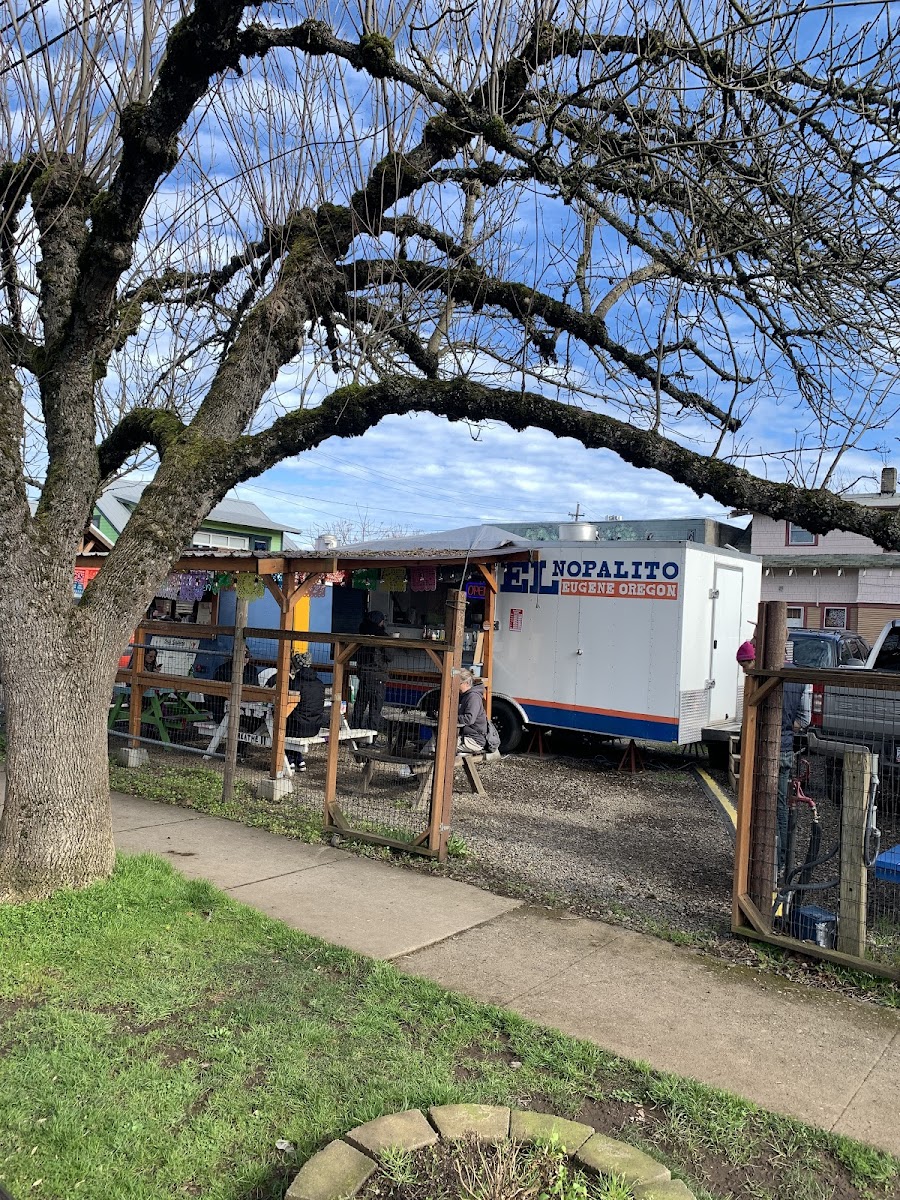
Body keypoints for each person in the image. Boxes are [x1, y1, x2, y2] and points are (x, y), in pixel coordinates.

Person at [352, 610, 391, 729]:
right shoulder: (383, 637)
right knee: (375, 710)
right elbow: (390, 656)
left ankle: (354, 734)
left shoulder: (361, 634)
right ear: (380, 622)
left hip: (363, 675)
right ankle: (371, 738)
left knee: (359, 707)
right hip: (378, 676)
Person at [457, 668, 489, 752]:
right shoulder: (465, 695)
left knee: (440, 744)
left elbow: (469, 719)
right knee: (438, 740)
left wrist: (451, 718)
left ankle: (425, 763)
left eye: (458, 683)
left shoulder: (473, 697)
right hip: (467, 736)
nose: (455, 686)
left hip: (474, 740)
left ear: (466, 683)